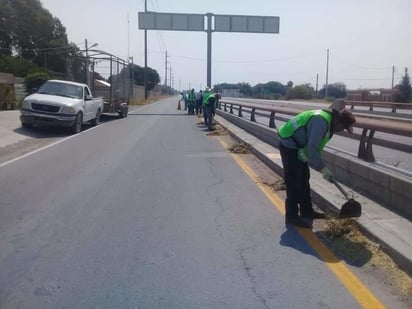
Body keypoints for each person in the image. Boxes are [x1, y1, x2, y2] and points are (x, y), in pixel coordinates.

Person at [278, 108, 356, 228]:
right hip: (289, 142)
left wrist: (321, 167)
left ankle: (307, 211)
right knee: (294, 181)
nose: (341, 131)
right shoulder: (321, 121)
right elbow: (312, 148)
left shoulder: (329, 125)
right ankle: (292, 216)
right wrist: (323, 168)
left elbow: (317, 149)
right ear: (339, 122)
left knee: (304, 178)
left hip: (300, 146)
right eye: (343, 128)